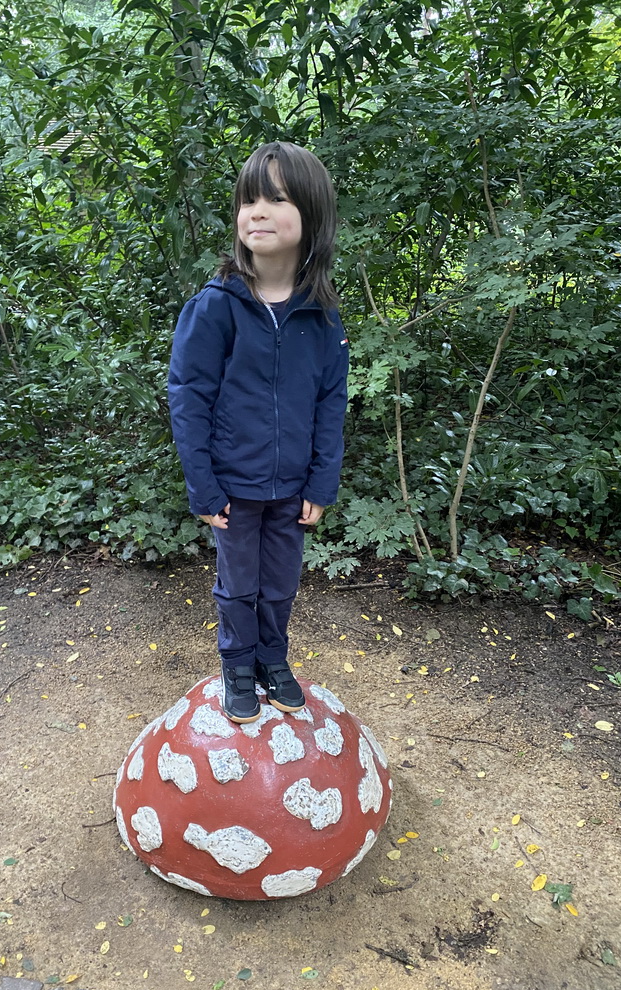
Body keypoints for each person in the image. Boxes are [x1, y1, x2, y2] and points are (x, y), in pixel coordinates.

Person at [168, 141, 349, 724]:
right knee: (237, 587)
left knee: (279, 586)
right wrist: (203, 486)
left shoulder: (321, 318)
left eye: (276, 198)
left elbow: (330, 403)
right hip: (233, 490)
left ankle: (274, 659)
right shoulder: (214, 307)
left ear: (312, 217)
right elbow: (188, 397)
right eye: (249, 199)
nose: (257, 211)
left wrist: (321, 485)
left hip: (292, 490)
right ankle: (237, 666)